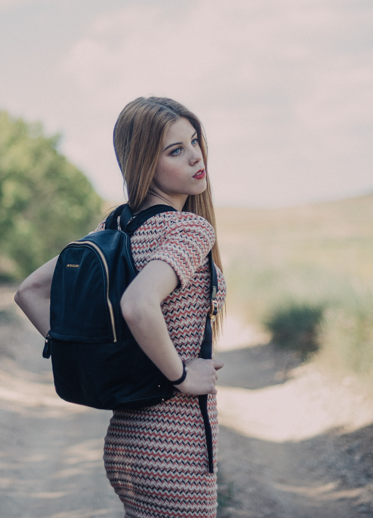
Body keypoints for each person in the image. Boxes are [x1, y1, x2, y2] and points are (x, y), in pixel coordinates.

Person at [14, 96, 227, 518]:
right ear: (143, 162)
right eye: (175, 150)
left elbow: (30, 291)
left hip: (126, 443)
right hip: (173, 448)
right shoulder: (188, 229)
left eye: (194, 140)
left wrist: (107, 361)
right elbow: (137, 304)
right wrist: (179, 375)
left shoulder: (113, 228)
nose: (196, 156)